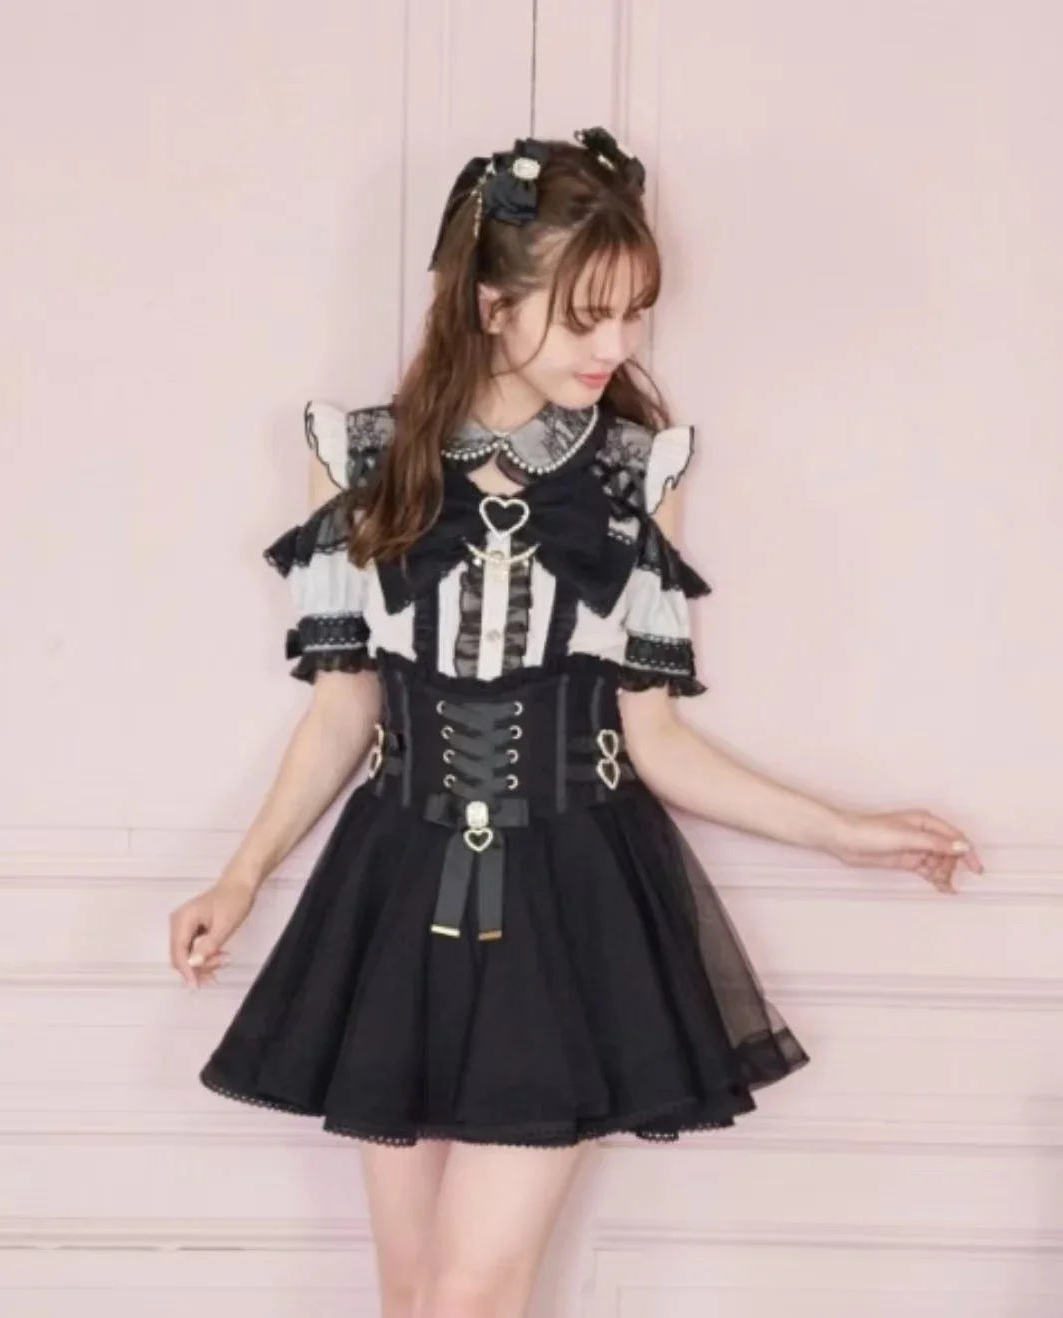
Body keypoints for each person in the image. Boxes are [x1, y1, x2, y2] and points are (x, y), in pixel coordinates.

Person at [168, 127, 983, 1318]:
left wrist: (845, 831)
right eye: (588, 316)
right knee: (412, 1296)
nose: (619, 348)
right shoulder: (365, 458)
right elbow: (343, 708)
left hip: (565, 894)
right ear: (491, 305)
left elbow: (656, 740)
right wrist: (239, 878)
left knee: (470, 1294)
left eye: (634, 315)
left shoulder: (634, 473)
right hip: (393, 887)